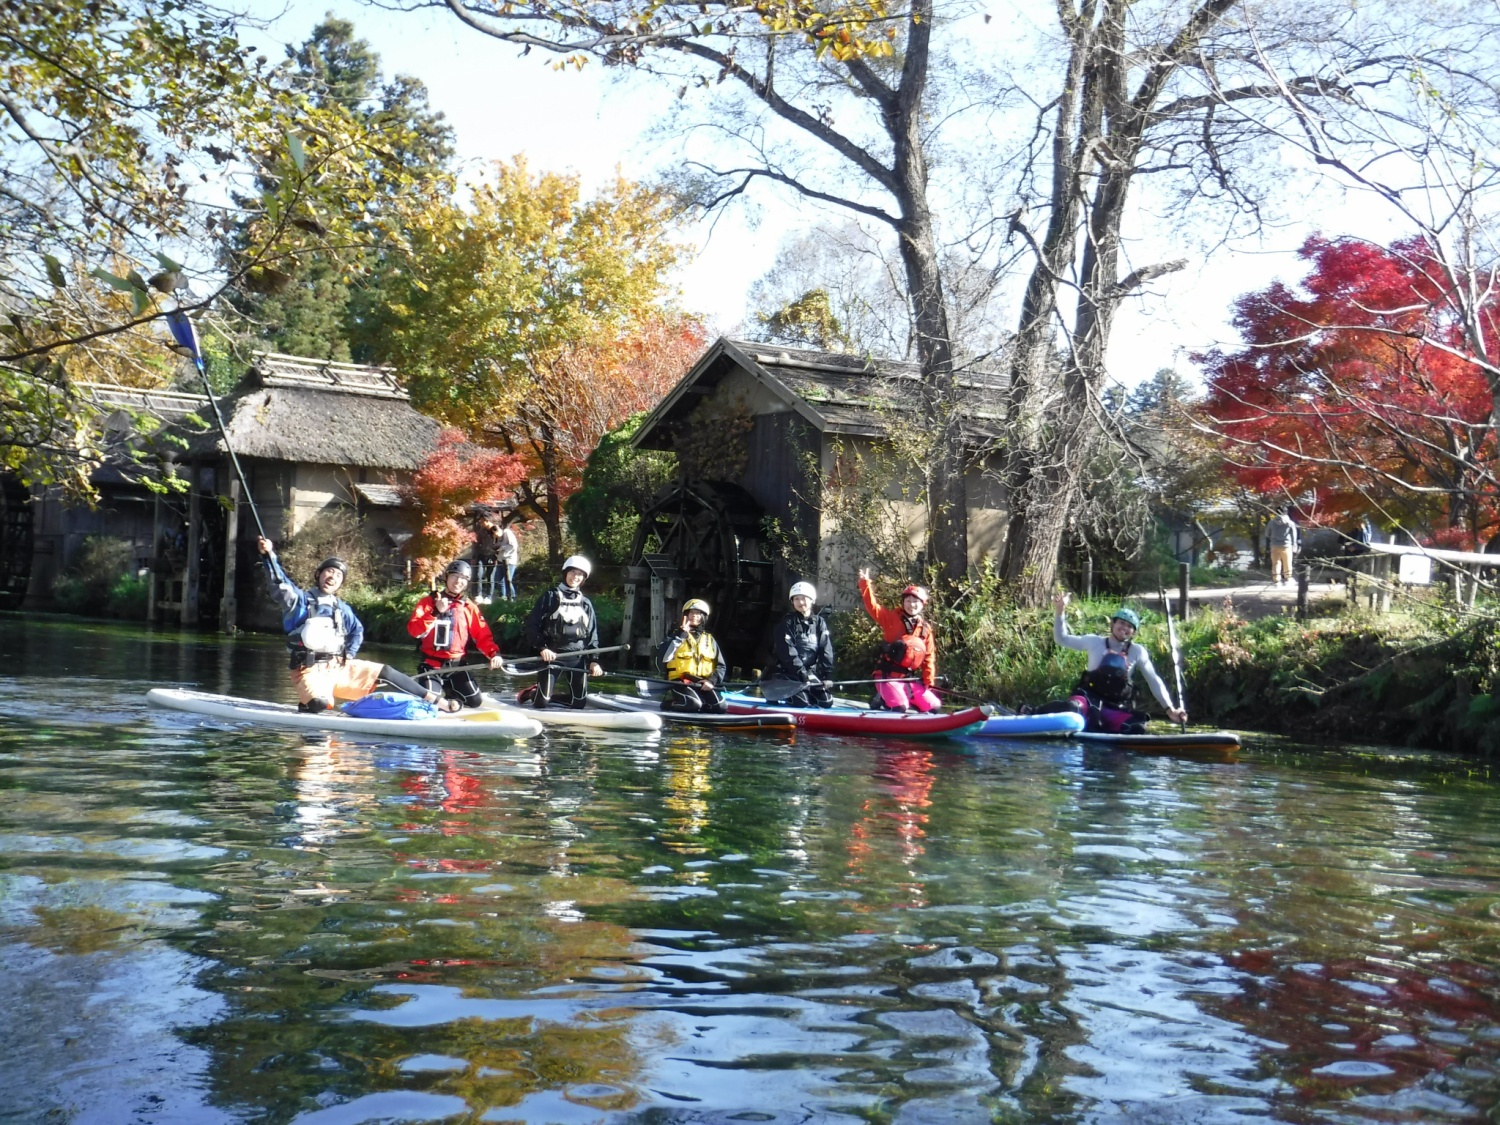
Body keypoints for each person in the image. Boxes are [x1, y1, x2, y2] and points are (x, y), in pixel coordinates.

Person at [256, 537, 460, 713]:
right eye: (328, 572)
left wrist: (350, 654)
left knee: (386, 672)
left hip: (339, 667)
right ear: (318, 575)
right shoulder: (298, 601)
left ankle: (438, 702)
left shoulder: (342, 609)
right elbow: (279, 583)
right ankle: (309, 704)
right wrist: (269, 556)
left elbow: (357, 631)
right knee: (319, 703)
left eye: (338, 575)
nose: (332, 577)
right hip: (308, 670)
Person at [1041, 593, 1187, 733]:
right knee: (1073, 707)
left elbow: (1154, 680)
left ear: (1133, 632)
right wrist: (1060, 611)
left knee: (1137, 727)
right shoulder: (1094, 642)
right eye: (1121, 623)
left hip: (1114, 707)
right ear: (1113, 624)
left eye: (1129, 626)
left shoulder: (1137, 651)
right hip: (1087, 700)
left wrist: (1170, 709)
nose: (1124, 628)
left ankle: (1105, 729)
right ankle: (1033, 712)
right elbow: (1062, 639)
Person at [407, 559, 506, 708]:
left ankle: (450, 693)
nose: (458, 581)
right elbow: (414, 631)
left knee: (475, 702)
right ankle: (437, 695)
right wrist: (435, 612)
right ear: (446, 577)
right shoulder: (428, 602)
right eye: (455, 576)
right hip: (432, 666)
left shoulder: (468, 606)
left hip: (457, 666)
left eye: (463, 578)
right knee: (430, 704)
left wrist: (494, 654)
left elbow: (482, 634)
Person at [523, 554, 603, 708]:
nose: (576, 577)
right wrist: (542, 648)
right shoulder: (550, 597)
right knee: (541, 703)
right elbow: (532, 625)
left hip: (577, 657)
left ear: (584, 578)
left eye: (580, 574)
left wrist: (594, 660)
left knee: (579, 704)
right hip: (553, 655)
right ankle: (533, 693)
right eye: (573, 572)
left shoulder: (586, 603)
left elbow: (593, 634)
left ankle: (550, 695)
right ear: (566, 573)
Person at [857, 568, 941, 713]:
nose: (911, 604)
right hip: (886, 677)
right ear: (903, 603)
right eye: (908, 601)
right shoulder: (891, 618)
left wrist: (928, 681)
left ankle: (906, 700)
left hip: (907, 679)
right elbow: (872, 606)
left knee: (935, 707)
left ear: (922, 604)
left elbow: (929, 658)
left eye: (915, 601)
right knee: (900, 707)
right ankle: (883, 697)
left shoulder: (925, 629)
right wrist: (865, 584)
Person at [763, 581, 835, 707]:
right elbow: (787, 653)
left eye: (804, 599)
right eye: (796, 599)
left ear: (812, 600)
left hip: (808, 674)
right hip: (786, 674)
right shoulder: (786, 623)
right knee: (801, 702)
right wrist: (803, 674)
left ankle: (807, 693)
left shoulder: (819, 623)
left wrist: (826, 675)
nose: (800, 602)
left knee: (827, 702)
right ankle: (787, 695)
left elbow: (826, 650)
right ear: (792, 602)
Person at [658, 598, 727, 712]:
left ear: (703, 618)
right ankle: (668, 704)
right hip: (680, 682)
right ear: (685, 615)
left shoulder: (709, 640)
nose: (694, 616)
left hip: (701, 683)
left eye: (698, 614)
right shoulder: (674, 637)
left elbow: (721, 666)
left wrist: (711, 681)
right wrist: (681, 636)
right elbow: (664, 658)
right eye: (691, 613)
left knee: (720, 707)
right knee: (693, 705)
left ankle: (702, 705)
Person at [1268, 504, 1300, 586]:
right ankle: (1288, 579)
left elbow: (1267, 534)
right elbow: (1294, 535)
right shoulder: (1290, 523)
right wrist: (1294, 545)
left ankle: (1276, 581)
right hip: (1286, 545)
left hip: (1274, 545)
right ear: (1286, 512)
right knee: (1287, 562)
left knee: (1275, 563)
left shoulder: (1271, 522)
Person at [496, 521, 520, 600]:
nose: (495, 534)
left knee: (507, 580)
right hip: (501, 559)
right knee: (500, 580)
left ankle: (512, 597)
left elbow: (513, 545)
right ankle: (503, 597)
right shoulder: (499, 536)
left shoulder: (507, 533)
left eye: (495, 532)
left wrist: (501, 548)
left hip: (509, 560)